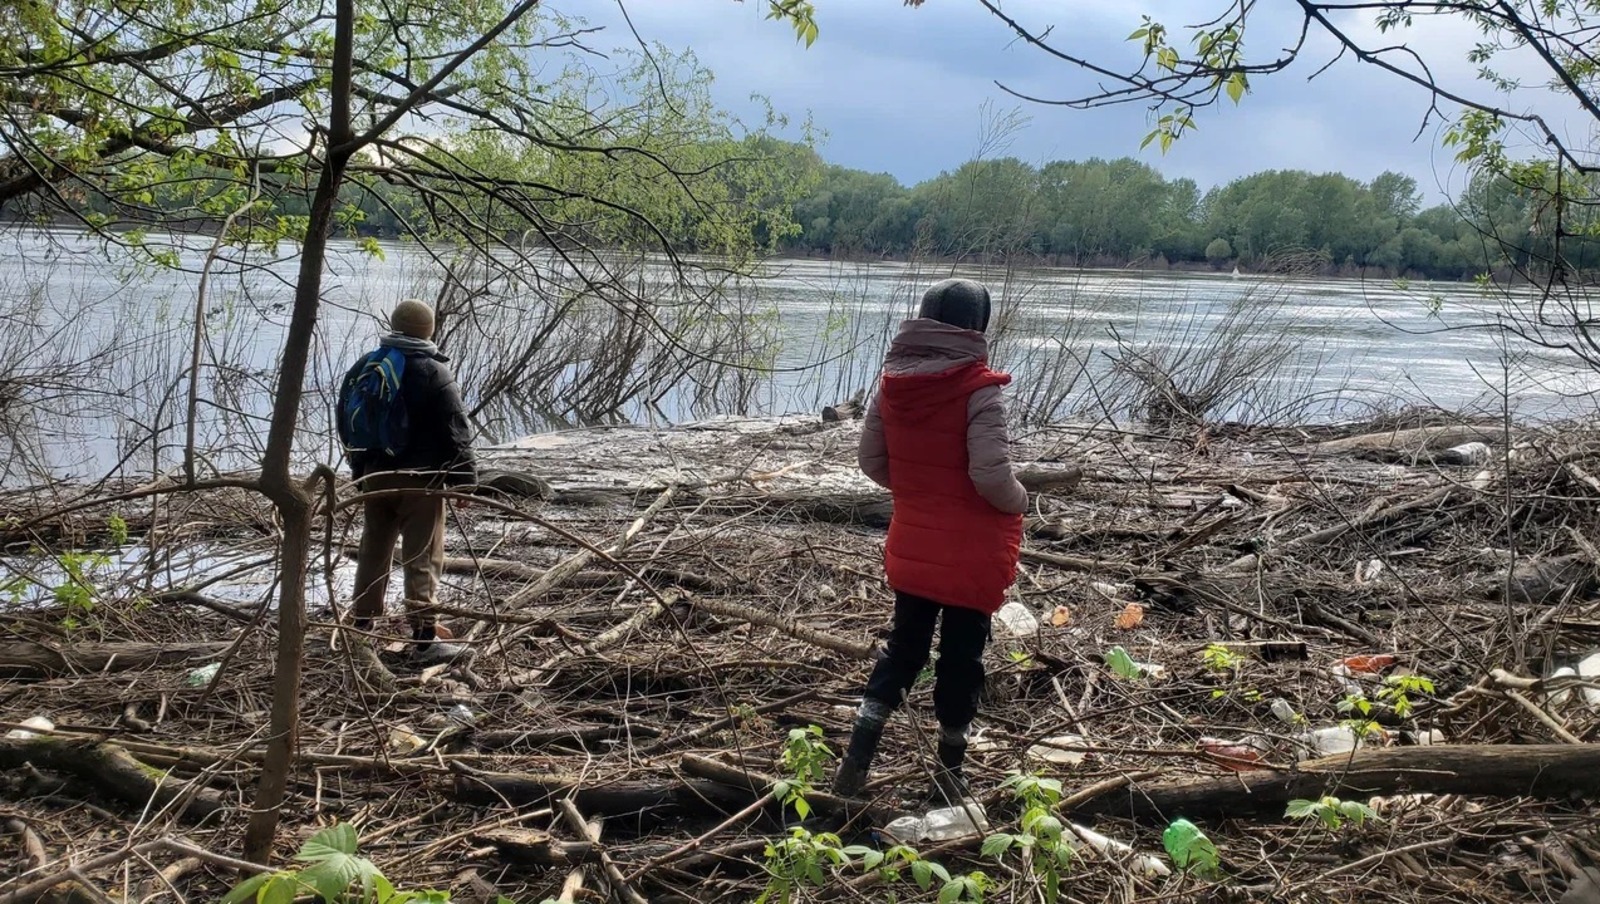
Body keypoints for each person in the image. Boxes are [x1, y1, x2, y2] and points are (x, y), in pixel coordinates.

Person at [834, 277, 1028, 802]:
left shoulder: (891, 384)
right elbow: (992, 479)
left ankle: (857, 760)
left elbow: (872, 463)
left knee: (903, 649)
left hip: (914, 544)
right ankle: (949, 772)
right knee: (961, 658)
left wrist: (923, 493)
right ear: (977, 326)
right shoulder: (978, 389)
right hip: (971, 553)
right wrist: (1021, 499)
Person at [341, 299, 477, 665]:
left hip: (376, 477)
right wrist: (465, 480)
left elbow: (347, 418)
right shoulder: (434, 371)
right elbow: (456, 430)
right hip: (422, 482)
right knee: (422, 556)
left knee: (374, 549)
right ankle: (423, 641)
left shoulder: (368, 365)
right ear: (428, 329)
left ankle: (362, 629)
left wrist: (360, 470)